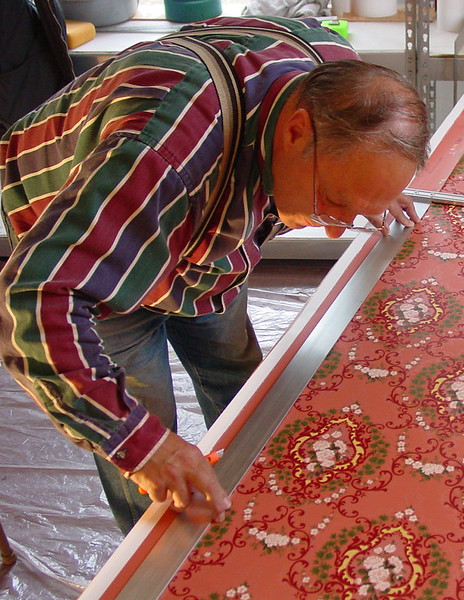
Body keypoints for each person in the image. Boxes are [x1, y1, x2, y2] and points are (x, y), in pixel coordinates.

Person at [0, 15, 430, 534]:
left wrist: (365, 191)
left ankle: (259, 510)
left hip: (201, 207)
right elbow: (35, 300)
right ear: (295, 132)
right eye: (334, 203)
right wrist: (144, 447)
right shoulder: (159, 156)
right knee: (144, 423)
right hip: (93, 232)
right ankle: (154, 556)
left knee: (235, 370)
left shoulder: (332, 78)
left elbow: (315, 58)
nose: (338, 230)